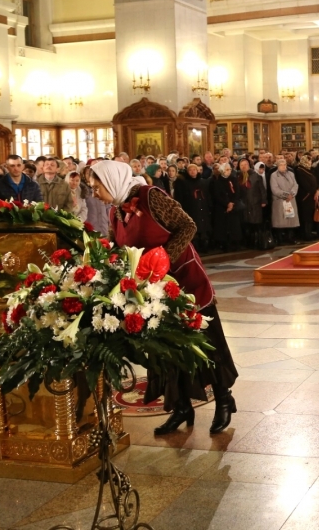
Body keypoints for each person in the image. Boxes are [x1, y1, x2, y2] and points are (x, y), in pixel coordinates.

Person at [88, 160, 238, 435]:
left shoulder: (151, 196)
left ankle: (224, 399)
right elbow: (118, 245)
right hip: (152, 290)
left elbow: (187, 226)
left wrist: (163, 258)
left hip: (185, 281)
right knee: (165, 349)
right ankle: (180, 406)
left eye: (97, 186)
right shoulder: (116, 211)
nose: (94, 192)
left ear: (111, 181)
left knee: (206, 342)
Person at [175, 164, 213, 252]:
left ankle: (204, 244)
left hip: (203, 206)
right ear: (188, 172)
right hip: (192, 207)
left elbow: (207, 195)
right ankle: (195, 245)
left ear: (197, 171)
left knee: (203, 226)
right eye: (190, 170)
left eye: (194, 170)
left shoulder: (203, 182)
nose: (192, 172)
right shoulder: (185, 183)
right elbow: (183, 197)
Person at [210, 163, 242, 252]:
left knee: (234, 226)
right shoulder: (217, 181)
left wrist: (232, 203)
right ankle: (224, 245)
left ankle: (235, 243)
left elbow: (237, 192)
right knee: (223, 227)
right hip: (222, 207)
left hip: (233, 206)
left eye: (230, 169)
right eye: (227, 170)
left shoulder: (234, 179)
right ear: (222, 171)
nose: (229, 171)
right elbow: (217, 195)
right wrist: (227, 204)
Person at [270, 159, 300, 243]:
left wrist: (292, 194)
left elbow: (295, 185)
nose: (283, 166)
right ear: (277, 166)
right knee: (281, 220)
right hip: (280, 201)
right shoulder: (274, 175)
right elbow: (275, 189)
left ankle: (290, 238)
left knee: (290, 220)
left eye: (284, 164)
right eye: (281, 165)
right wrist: (286, 195)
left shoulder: (291, 174)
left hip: (291, 200)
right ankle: (280, 239)